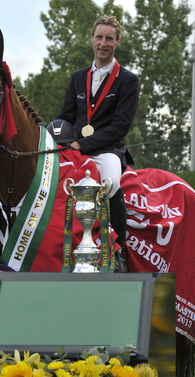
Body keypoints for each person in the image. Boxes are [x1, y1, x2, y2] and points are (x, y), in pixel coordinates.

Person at [55, 16, 139, 272]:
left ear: (117, 42)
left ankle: (121, 249)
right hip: (75, 148)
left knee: (111, 184)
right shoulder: (78, 77)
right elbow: (65, 116)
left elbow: (119, 128)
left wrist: (82, 145)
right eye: (99, 37)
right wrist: (54, 133)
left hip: (107, 150)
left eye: (109, 39)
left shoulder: (128, 80)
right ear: (91, 39)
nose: (103, 43)